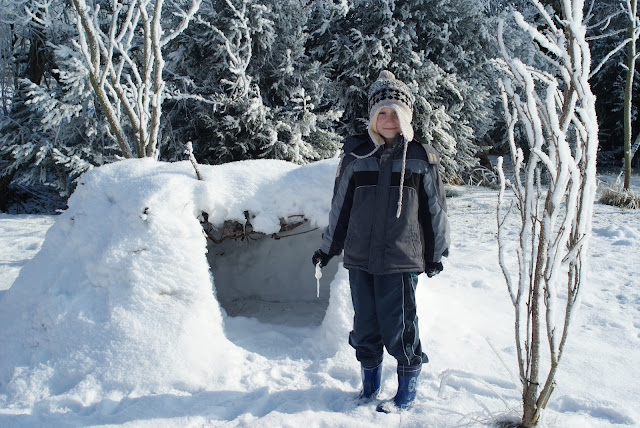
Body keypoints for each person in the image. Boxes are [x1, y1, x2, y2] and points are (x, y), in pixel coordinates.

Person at [312, 70, 450, 413]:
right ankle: (369, 387)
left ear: (407, 116)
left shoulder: (420, 157)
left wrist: (435, 254)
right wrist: (328, 248)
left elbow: (435, 210)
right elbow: (340, 208)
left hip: (401, 259)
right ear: (372, 116)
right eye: (382, 112)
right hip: (360, 258)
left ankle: (406, 392)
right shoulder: (356, 157)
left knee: (400, 327)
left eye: (396, 113)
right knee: (365, 327)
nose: (389, 120)